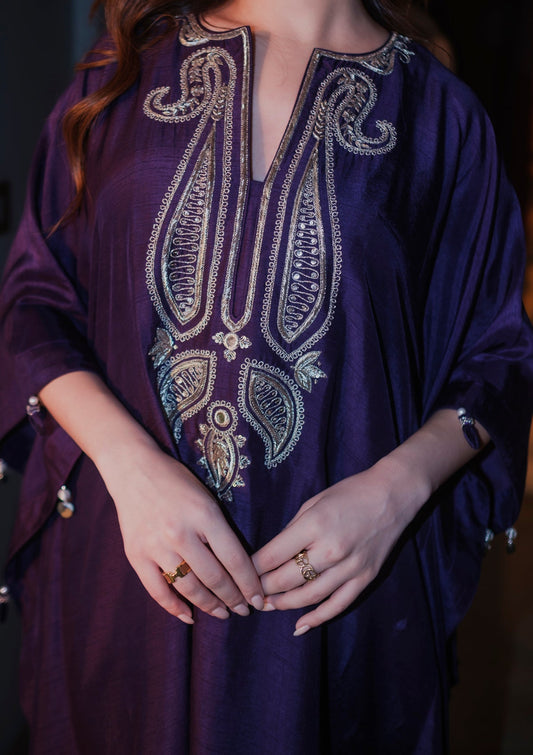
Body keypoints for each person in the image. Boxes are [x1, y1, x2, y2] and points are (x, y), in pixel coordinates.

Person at [0, 0, 532, 752]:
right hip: (128, 580)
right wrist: (130, 465)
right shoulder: (120, 78)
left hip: (335, 612)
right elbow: (35, 301)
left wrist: (396, 491)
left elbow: (496, 356)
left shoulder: (441, 120)